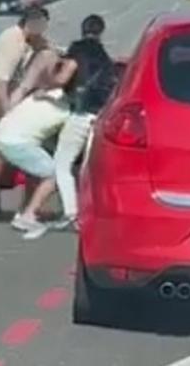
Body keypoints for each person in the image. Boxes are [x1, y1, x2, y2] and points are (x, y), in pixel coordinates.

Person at [0, 37, 69, 239]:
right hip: (15, 142)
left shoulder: (45, 93)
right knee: (53, 174)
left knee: (36, 171)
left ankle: (25, 209)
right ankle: (27, 216)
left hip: (3, 134)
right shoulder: (67, 106)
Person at [0, 6, 50, 218]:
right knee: (7, 138)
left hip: (13, 92)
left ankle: (3, 186)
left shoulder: (28, 39)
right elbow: (1, 81)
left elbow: (47, 49)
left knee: (13, 140)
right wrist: (8, 111)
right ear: (30, 23)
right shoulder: (13, 42)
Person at [47, 14, 116, 230]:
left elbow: (63, 77)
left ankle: (71, 213)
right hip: (100, 114)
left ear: (82, 28)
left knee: (62, 162)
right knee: (88, 167)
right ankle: (91, 213)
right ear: (102, 31)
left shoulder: (78, 49)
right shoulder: (105, 57)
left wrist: (47, 81)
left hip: (81, 111)